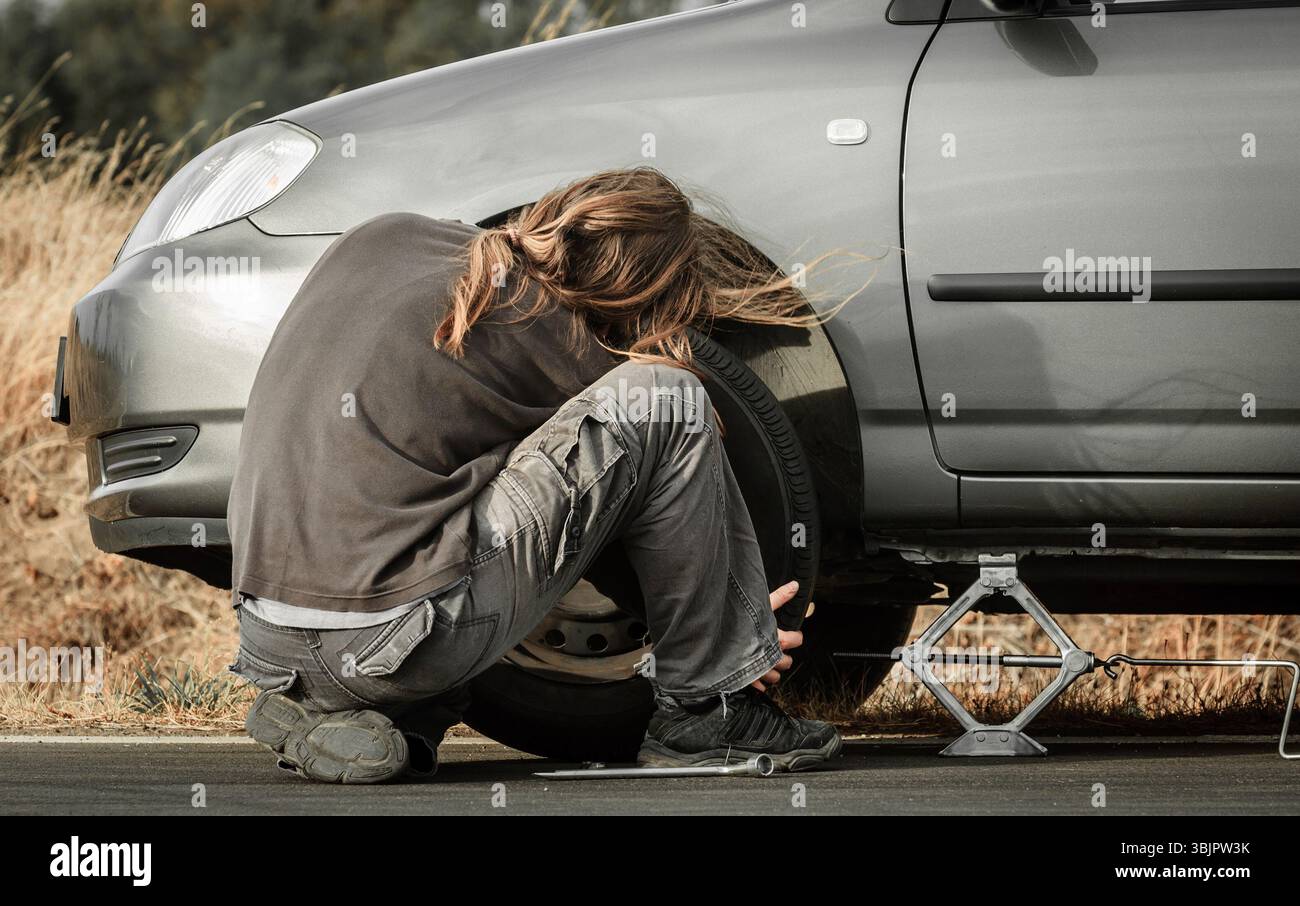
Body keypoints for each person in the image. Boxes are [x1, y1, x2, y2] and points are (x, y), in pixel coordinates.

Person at [227, 167, 843, 783]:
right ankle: (709, 713)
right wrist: (732, 633)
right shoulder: (558, 337)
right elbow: (615, 525)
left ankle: (357, 716)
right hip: (382, 643)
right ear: (638, 293)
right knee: (666, 396)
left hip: (267, 638)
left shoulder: (384, 235)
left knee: (433, 512)